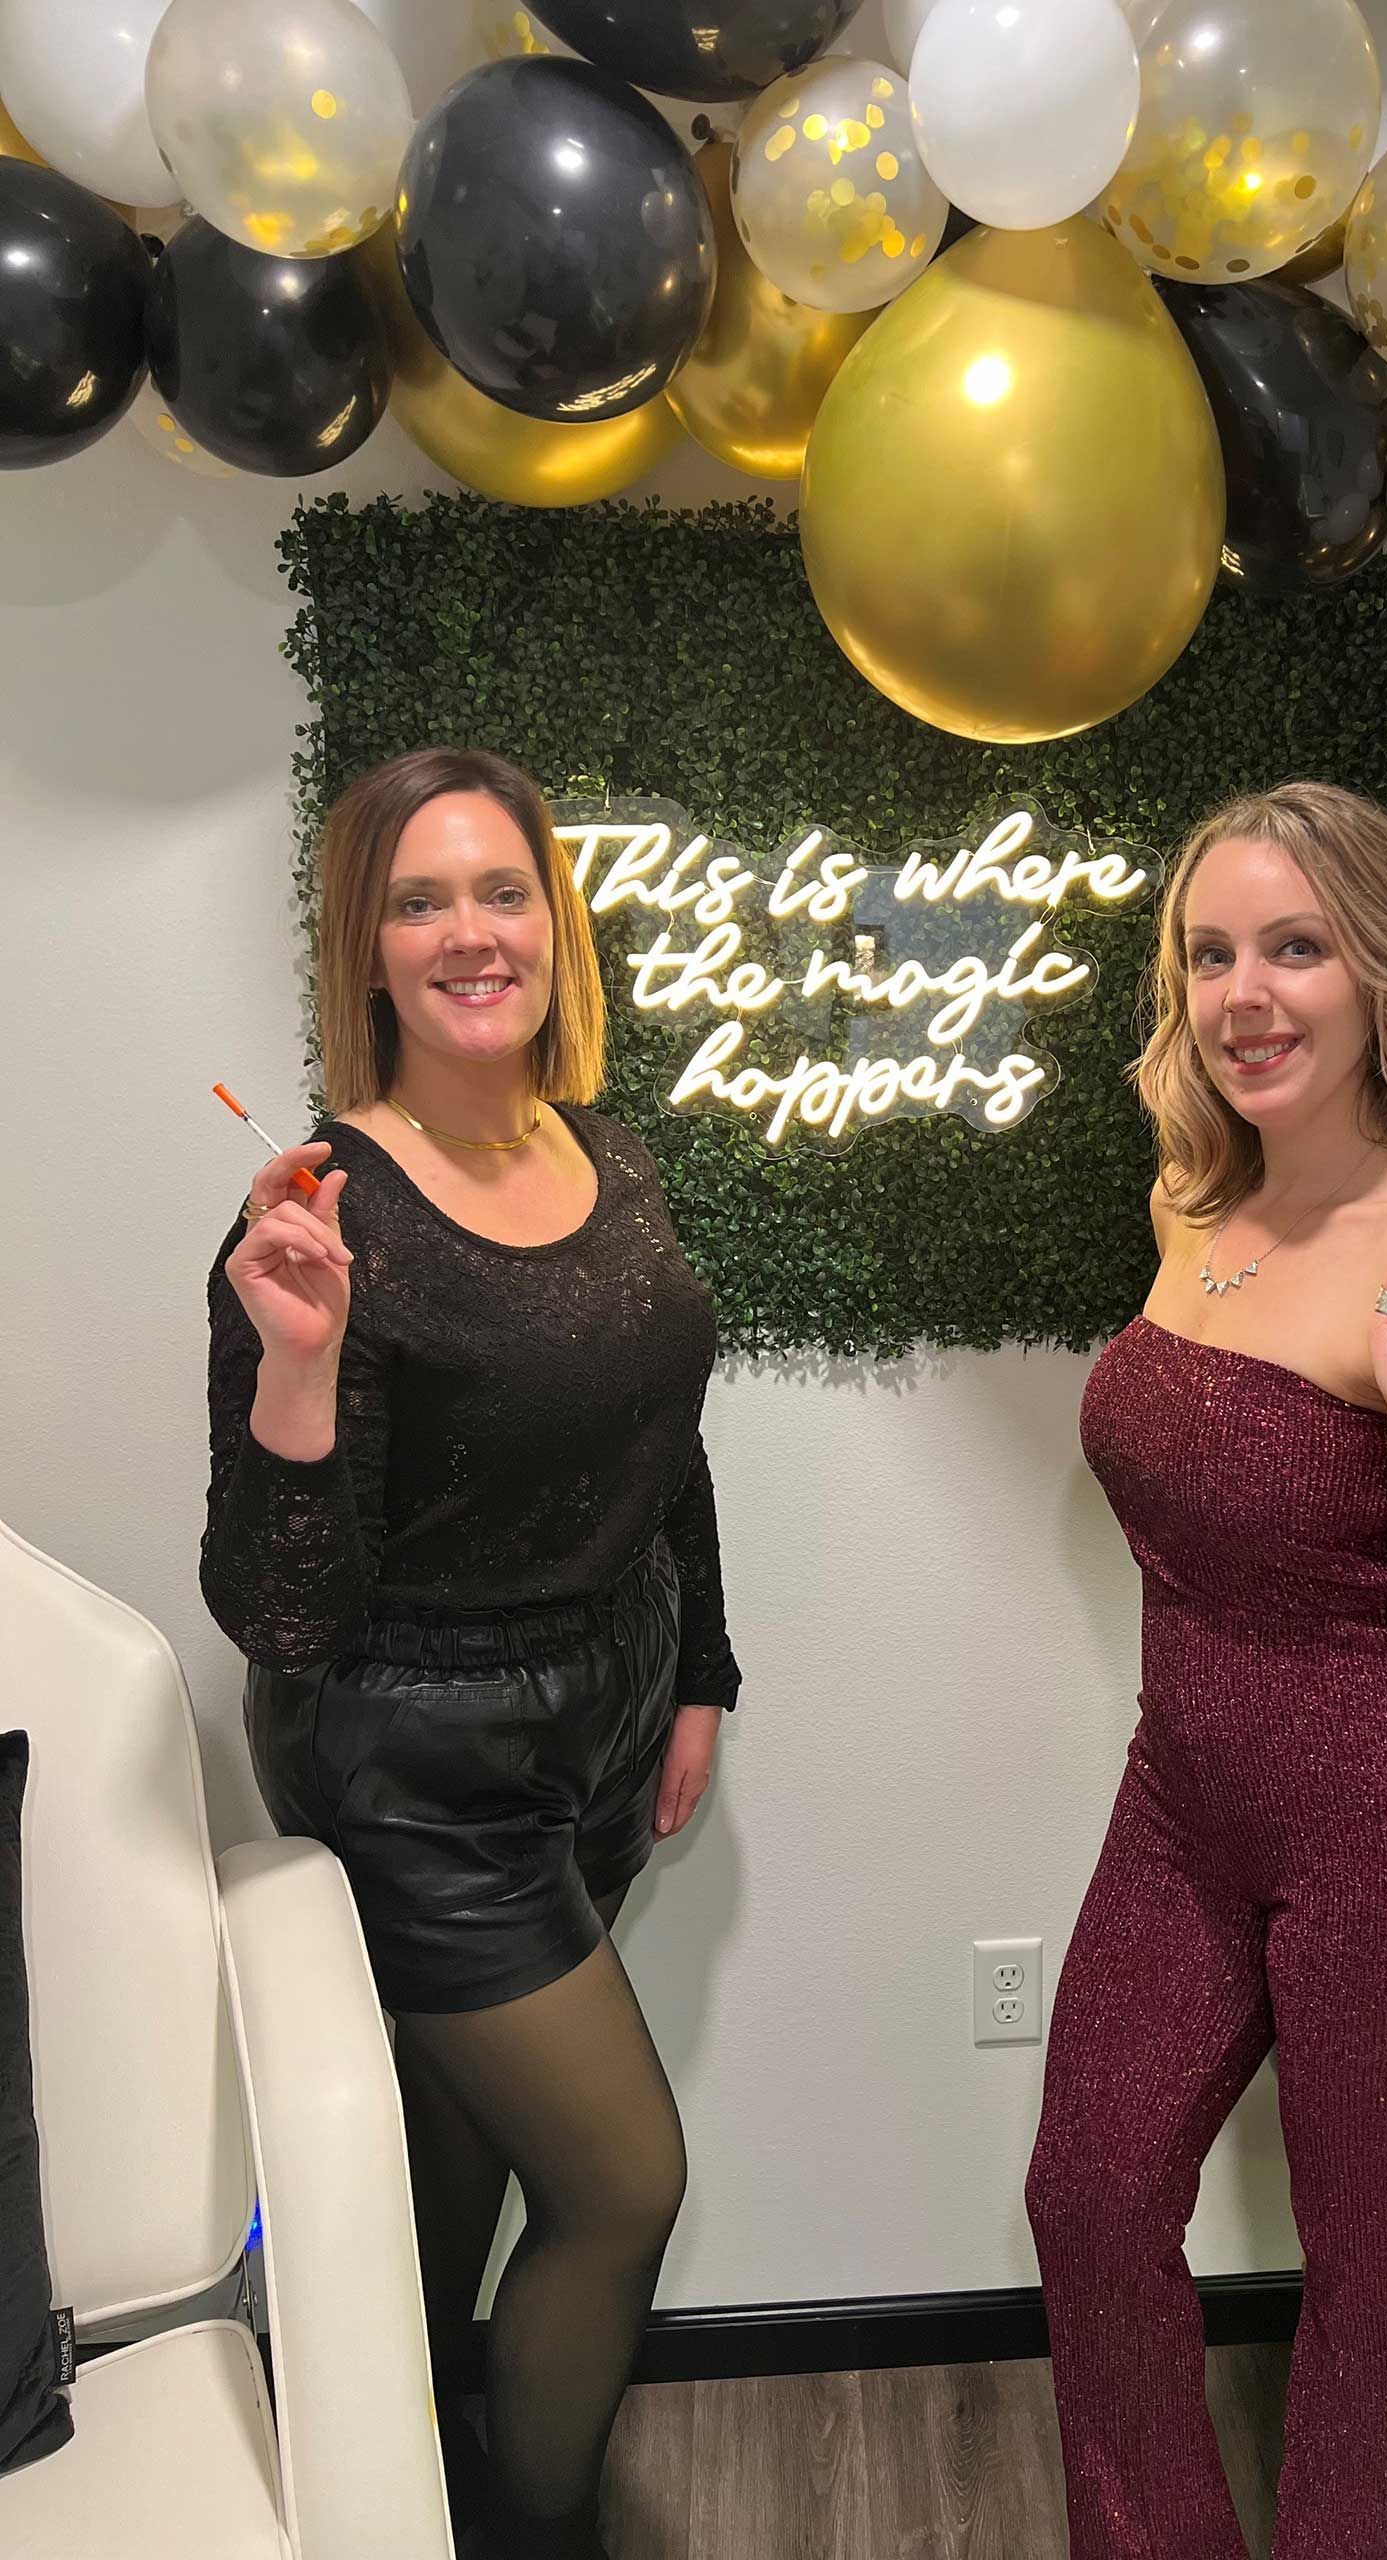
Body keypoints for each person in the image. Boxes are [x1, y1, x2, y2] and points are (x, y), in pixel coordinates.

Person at [201, 748, 740, 2560]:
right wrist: (294, 1368)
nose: (467, 933)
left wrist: (702, 1674)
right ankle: (537, 2538)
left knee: (462, 2171)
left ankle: (404, 2503)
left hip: (597, 1722)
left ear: (551, 921)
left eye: (499, 890)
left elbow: (668, 1434)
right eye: (418, 901)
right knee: (621, 2183)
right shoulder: (316, 1216)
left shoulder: (611, 1148)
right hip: (417, 1766)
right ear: (365, 947)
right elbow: (279, 1617)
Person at [1025, 783, 1387, 2560]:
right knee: (1089, 2198)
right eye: (1211, 951)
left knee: (1371, 2285)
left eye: (1298, 946)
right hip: (1186, 1796)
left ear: (1383, 970)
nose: (1245, 994)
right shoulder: (1200, 1199)